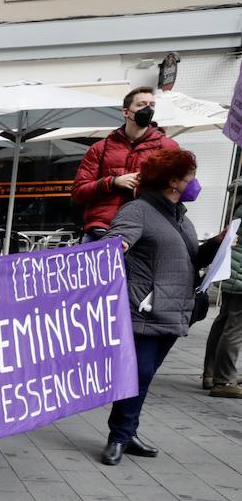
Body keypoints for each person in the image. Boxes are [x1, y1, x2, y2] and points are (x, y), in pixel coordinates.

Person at [102, 149, 226, 465]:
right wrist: (120, 245)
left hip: (173, 311)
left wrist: (216, 244)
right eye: (190, 177)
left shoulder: (179, 216)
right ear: (173, 181)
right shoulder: (138, 210)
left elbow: (190, 258)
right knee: (138, 374)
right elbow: (116, 242)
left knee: (144, 376)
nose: (194, 183)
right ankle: (119, 436)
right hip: (144, 310)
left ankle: (127, 433)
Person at [73, 87, 181, 241]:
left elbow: (180, 190)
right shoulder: (100, 148)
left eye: (152, 105)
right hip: (101, 230)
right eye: (141, 104)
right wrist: (113, 182)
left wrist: (148, 187)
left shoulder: (167, 147)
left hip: (144, 231)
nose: (148, 109)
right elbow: (79, 193)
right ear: (126, 112)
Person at [203, 221, 242, 398]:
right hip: (238, 273)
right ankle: (224, 380)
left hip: (233, 270)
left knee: (224, 321)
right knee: (235, 327)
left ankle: (211, 374)